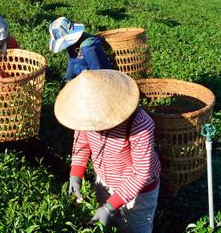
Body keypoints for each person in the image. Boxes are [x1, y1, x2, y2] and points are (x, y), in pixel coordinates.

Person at [54, 69, 161, 232]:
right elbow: (81, 144)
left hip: (139, 191)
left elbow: (141, 173)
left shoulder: (139, 125)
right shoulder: (87, 117)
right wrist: (75, 175)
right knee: (110, 222)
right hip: (104, 180)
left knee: (134, 226)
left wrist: (109, 207)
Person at [49, 17, 112, 82]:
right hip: (83, 77)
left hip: (98, 80)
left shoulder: (88, 47)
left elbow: (98, 71)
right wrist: (68, 79)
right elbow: (72, 62)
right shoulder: (71, 45)